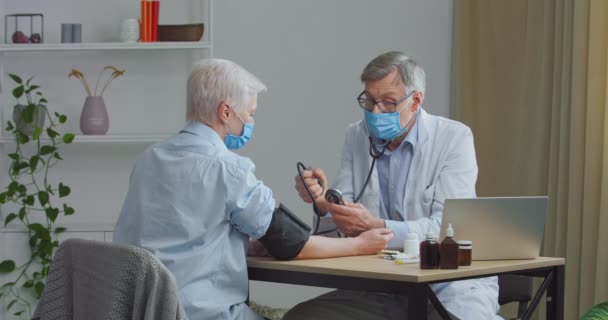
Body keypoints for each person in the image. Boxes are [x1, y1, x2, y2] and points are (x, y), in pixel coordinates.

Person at [112, 58, 393, 320]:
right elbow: (291, 242)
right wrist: (358, 245)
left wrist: (244, 244)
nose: (250, 122)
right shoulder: (229, 168)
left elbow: (180, 233)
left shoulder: (149, 159)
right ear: (225, 112)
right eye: (249, 113)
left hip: (145, 311)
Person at [286, 51, 501, 319]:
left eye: (387, 102)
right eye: (369, 101)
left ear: (415, 101)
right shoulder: (356, 135)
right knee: (304, 317)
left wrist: (378, 227)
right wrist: (324, 205)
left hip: (446, 283)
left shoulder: (453, 138)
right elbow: (345, 223)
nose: (375, 112)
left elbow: (448, 228)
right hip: (381, 286)